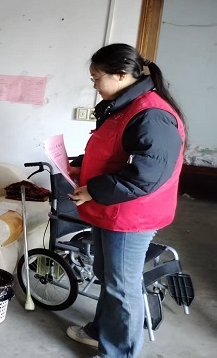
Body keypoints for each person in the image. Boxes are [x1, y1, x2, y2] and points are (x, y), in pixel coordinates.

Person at [66, 43, 186, 357]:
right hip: (111, 206)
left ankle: (119, 353)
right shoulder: (123, 106)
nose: (94, 85)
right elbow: (114, 152)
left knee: (122, 285)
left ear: (120, 75)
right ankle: (100, 331)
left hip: (130, 215)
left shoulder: (151, 114)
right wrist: (81, 165)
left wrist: (93, 190)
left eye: (97, 78)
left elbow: (146, 174)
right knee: (107, 275)